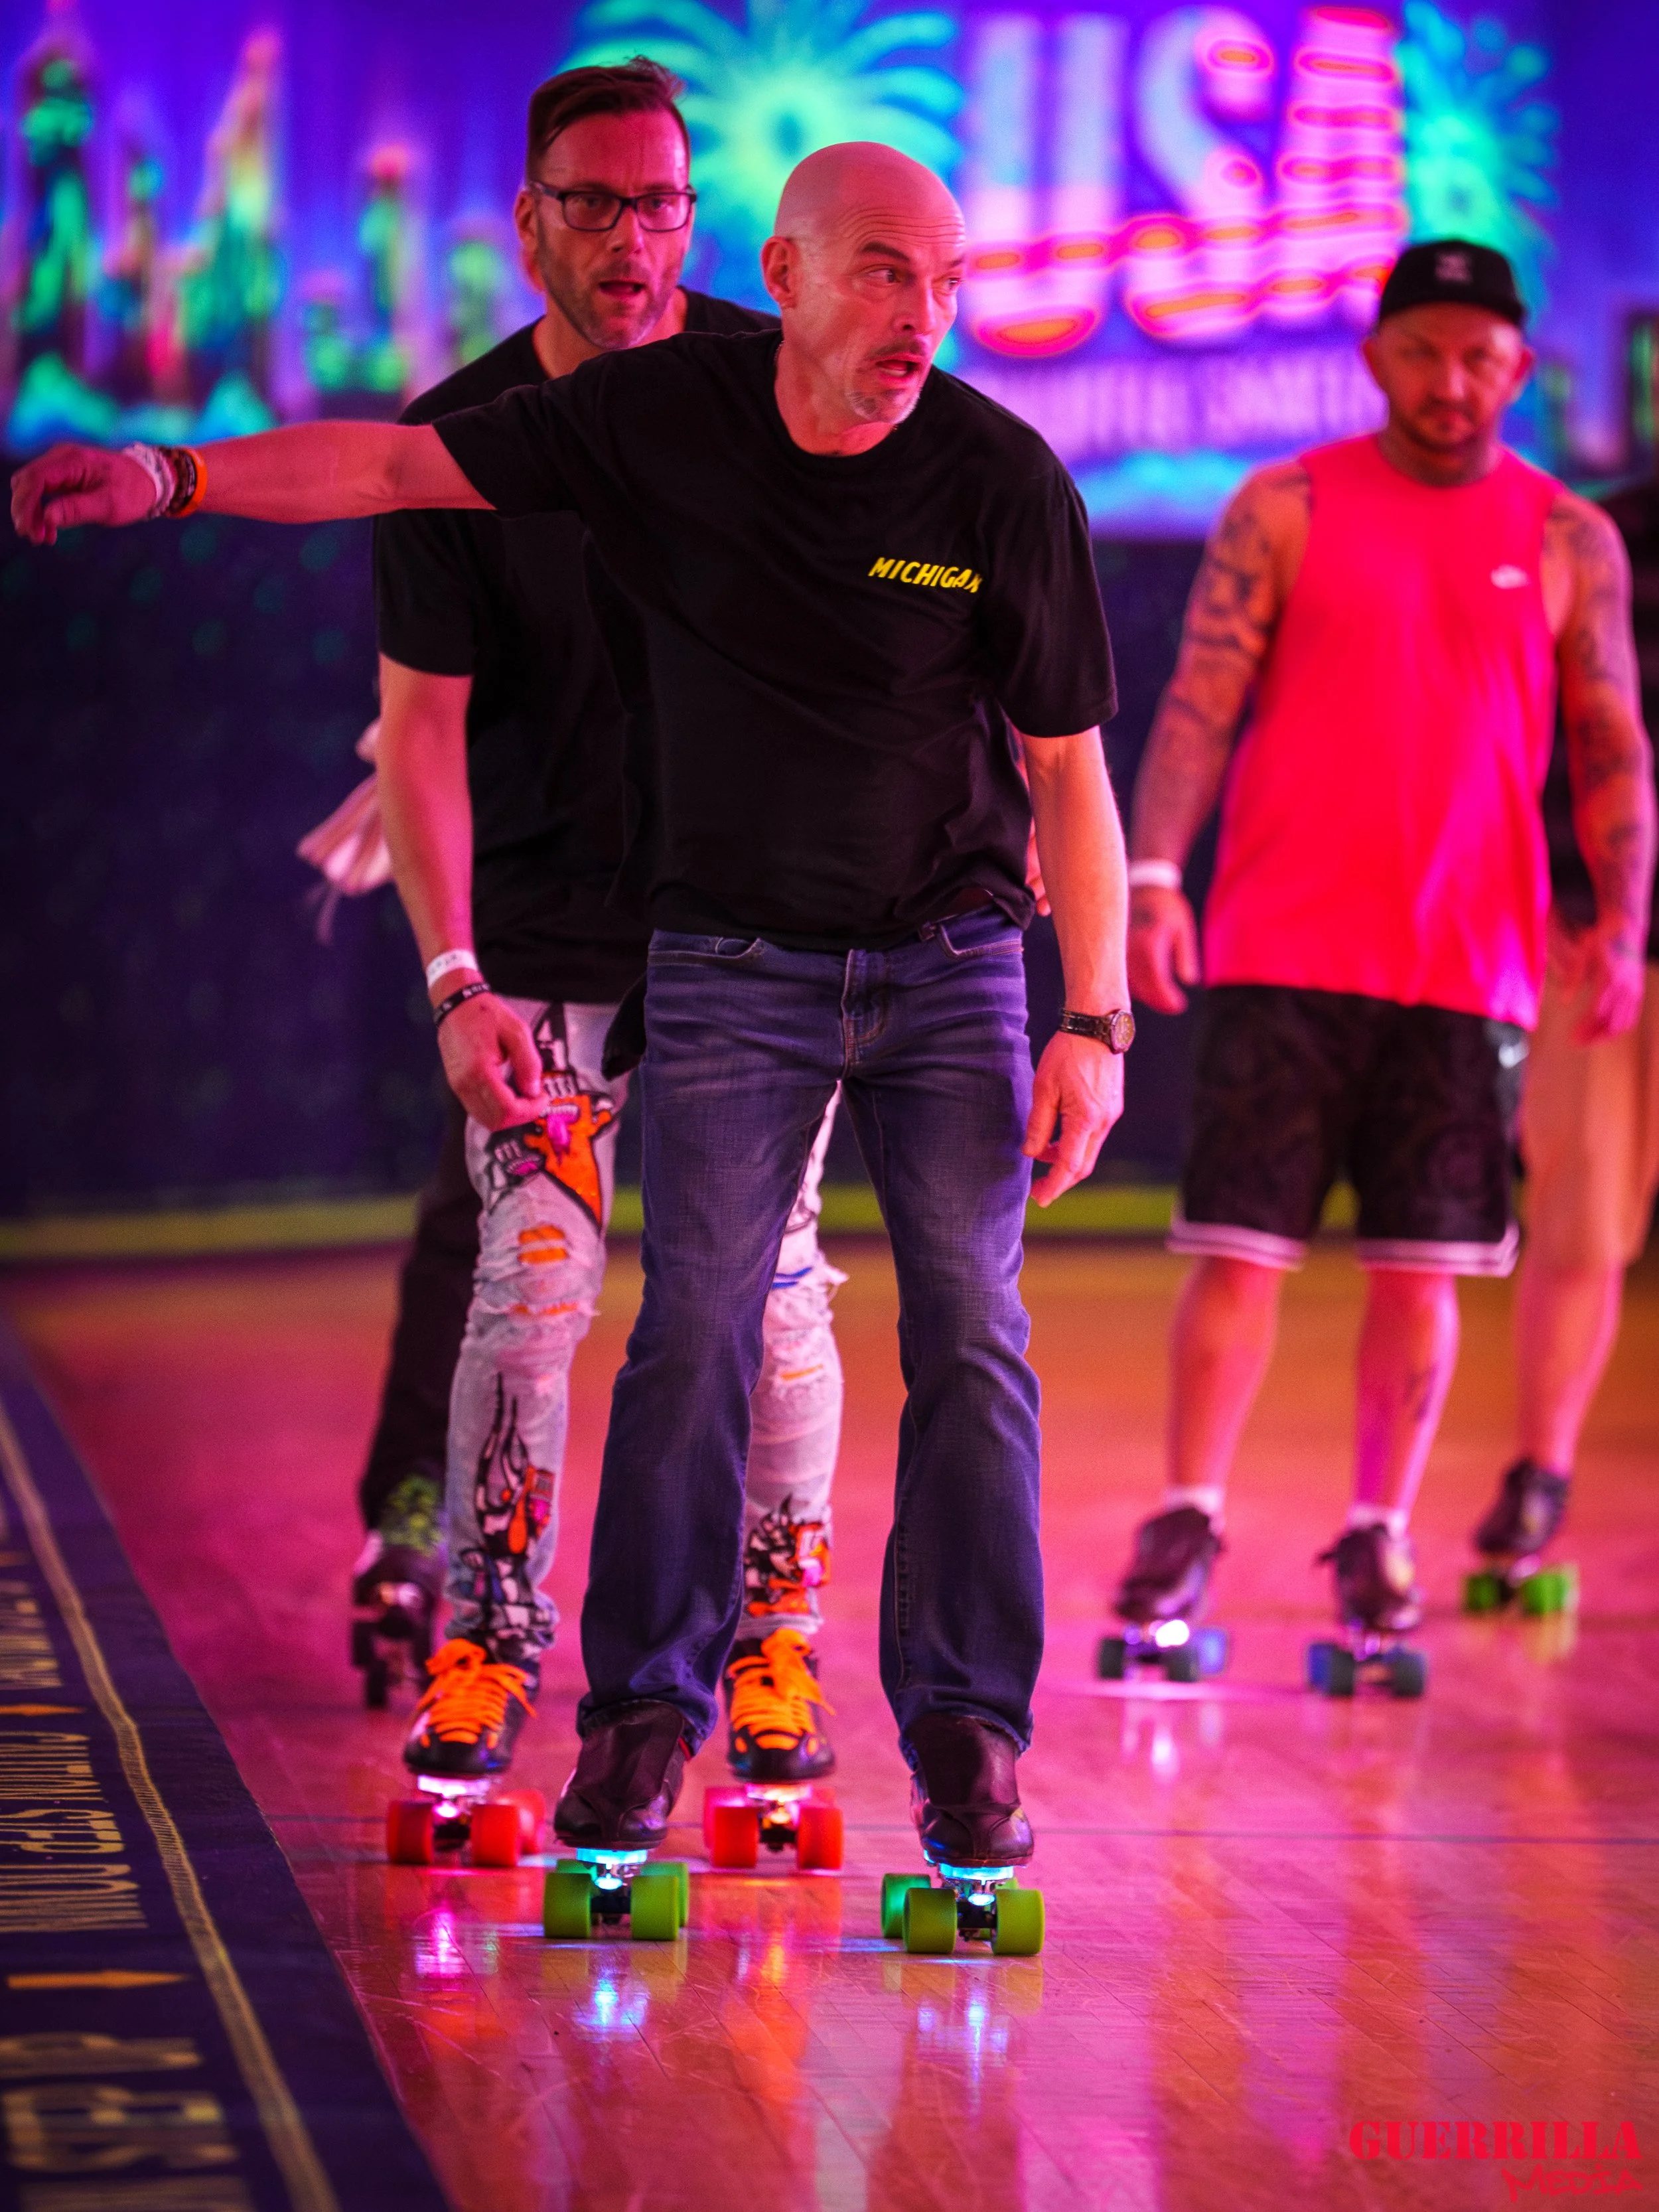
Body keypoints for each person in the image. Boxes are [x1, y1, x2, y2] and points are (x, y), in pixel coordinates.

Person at [11, 139, 1129, 1876]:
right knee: (653, 1322)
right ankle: (625, 1711)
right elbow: (388, 467)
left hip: (940, 964)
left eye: (948, 281)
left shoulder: (997, 480)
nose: (923, 317)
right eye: (884, 273)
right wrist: (174, 474)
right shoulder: (656, 417)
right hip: (720, 965)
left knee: (951, 1335)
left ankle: (950, 1725)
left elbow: (1070, 767)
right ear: (786, 274)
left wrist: (1098, 1020)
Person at [1112, 238, 1655, 1649]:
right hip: (1282, 948)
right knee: (1235, 1254)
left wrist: (1622, 915)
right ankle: (1189, 1515)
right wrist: (1153, 875)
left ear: (1517, 371)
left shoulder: (1563, 539)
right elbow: (1195, 704)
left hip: (1464, 966)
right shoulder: (1281, 504)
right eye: (1420, 349)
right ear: (1374, 358)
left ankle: (1377, 1535)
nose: (1447, 379)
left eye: (1477, 356)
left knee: (1423, 1271)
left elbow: (1608, 747)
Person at [1471, 471, 1659, 1578]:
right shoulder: (1600, 535)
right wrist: (1583, 896)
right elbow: (1546, 729)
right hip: (1599, 936)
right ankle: (1542, 1473)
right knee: (1584, 1215)